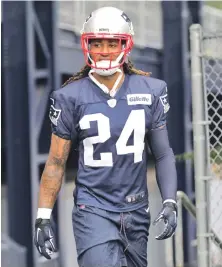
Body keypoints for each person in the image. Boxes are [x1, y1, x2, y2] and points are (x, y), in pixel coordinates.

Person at [34, 6, 178, 267]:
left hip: (137, 209)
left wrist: (169, 200)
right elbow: (56, 162)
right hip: (93, 209)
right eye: (97, 43)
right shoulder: (69, 97)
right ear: (86, 44)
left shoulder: (152, 90)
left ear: (126, 45)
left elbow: (163, 153)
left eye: (113, 43)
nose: (104, 50)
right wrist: (43, 216)